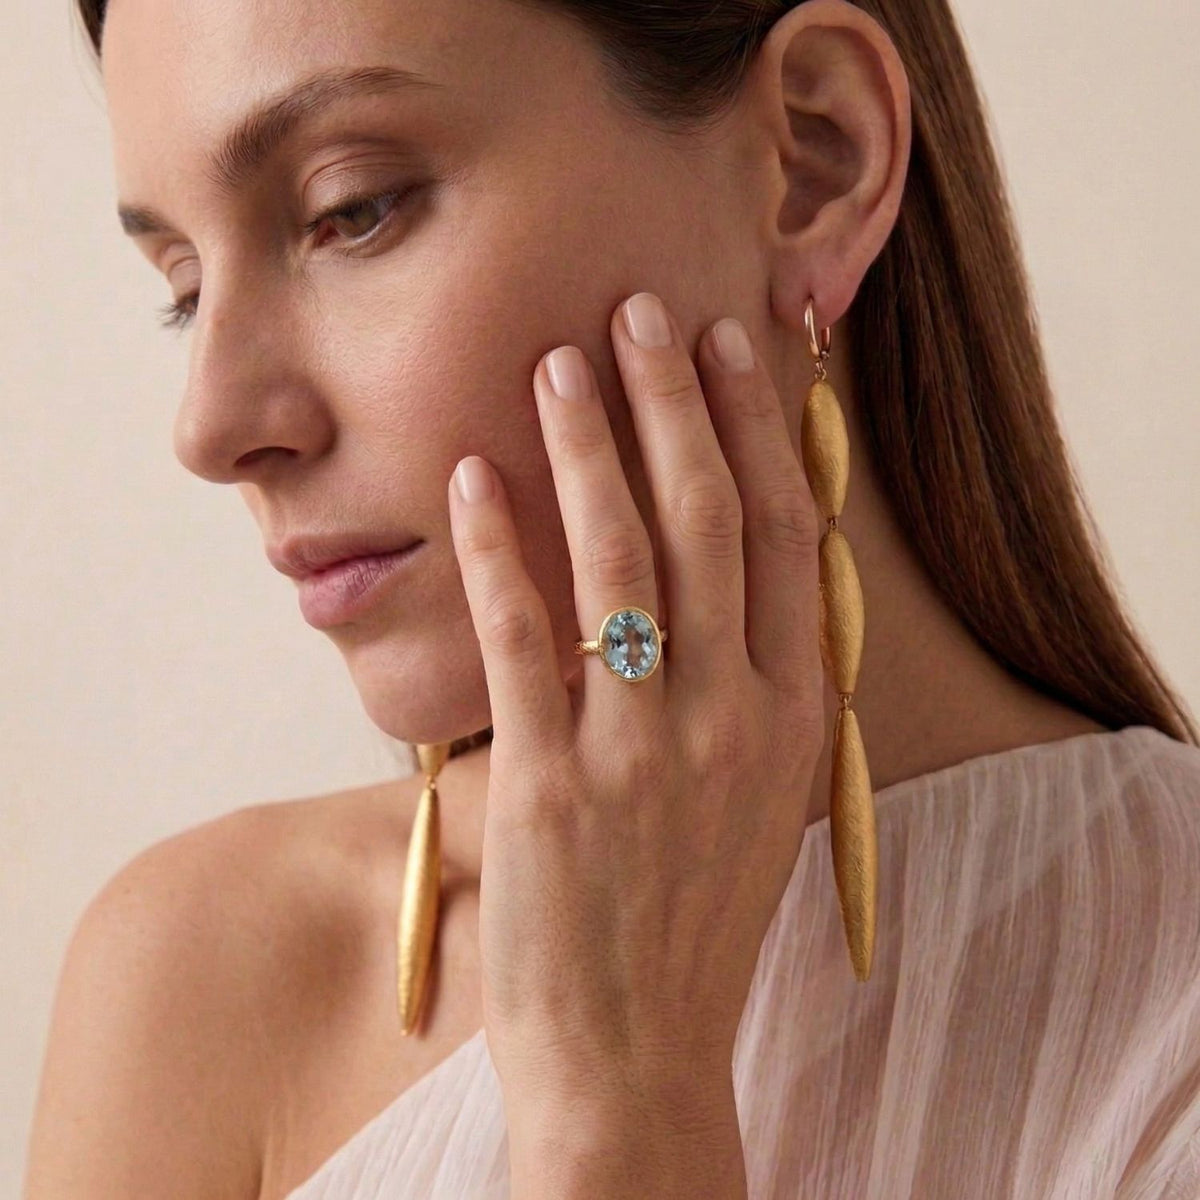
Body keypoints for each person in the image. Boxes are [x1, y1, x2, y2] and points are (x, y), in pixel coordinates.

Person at [23, 0, 1200, 1197]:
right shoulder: (198, 985)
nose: (210, 424)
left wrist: (625, 1105)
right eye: (181, 281)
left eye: (349, 209)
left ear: (813, 157)